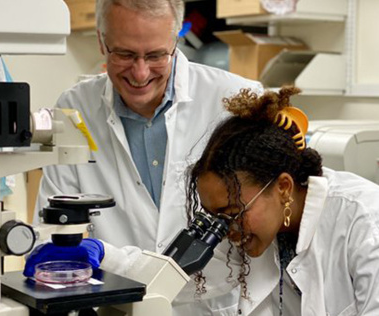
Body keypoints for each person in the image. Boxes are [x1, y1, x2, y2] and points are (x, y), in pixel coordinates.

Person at [25, 0, 263, 314]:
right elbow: (54, 226)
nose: (140, 72)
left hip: (213, 306)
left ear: (175, 41)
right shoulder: (74, 108)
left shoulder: (235, 102)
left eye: (155, 55)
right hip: (115, 306)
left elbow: (262, 235)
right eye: (124, 54)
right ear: (101, 41)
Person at [185, 86, 379, 315]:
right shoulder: (260, 223)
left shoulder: (368, 223)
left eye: (233, 213)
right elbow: (190, 285)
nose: (227, 230)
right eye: (216, 217)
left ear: (283, 187)